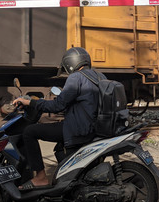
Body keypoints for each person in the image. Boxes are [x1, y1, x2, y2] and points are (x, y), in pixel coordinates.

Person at [12, 47, 100, 190]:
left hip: (78, 130)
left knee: (29, 131)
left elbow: (56, 106)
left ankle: (40, 178)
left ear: (71, 63)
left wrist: (30, 102)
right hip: (92, 128)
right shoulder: (98, 76)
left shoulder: (76, 77)